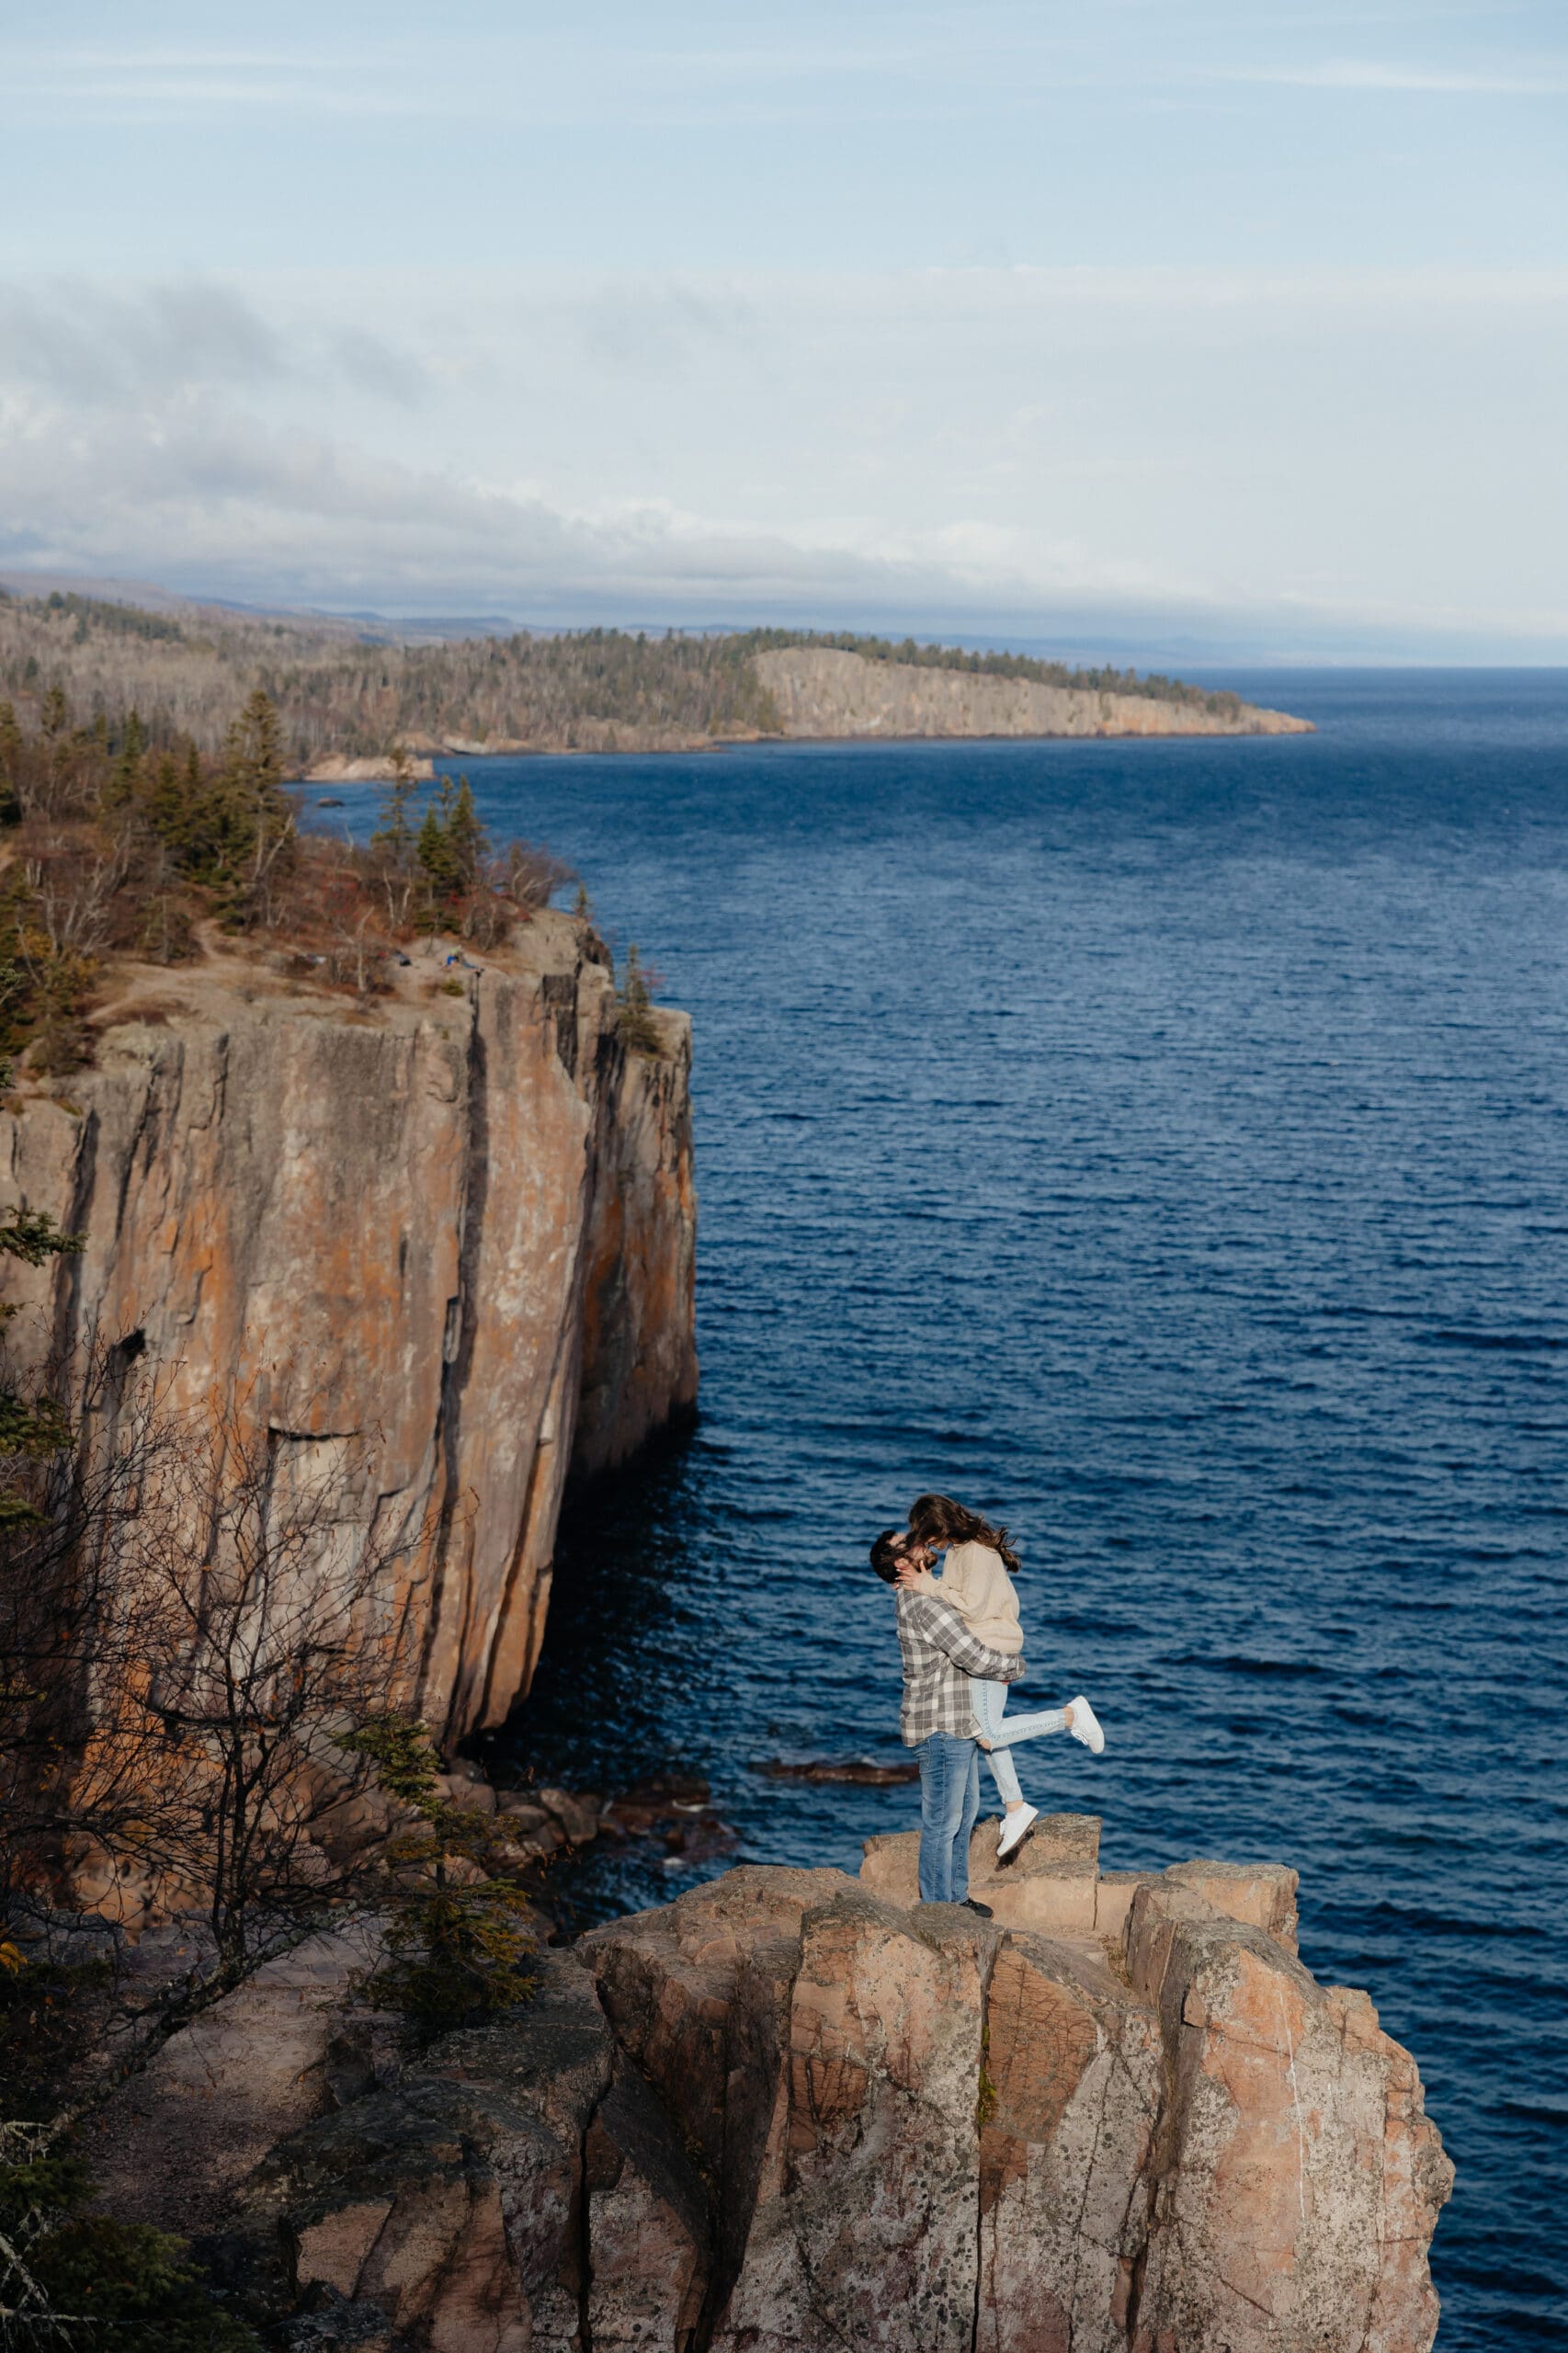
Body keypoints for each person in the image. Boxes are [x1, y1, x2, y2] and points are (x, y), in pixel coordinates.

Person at [900, 1493, 1105, 1861]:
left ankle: (1070, 1716)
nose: (927, 1542)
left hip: (990, 1645)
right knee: (989, 1731)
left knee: (989, 1734)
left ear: (938, 1526)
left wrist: (927, 1585)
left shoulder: (975, 1553)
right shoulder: (966, 1550)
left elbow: (972, 1606)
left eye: (926, 1535)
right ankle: (1015, 1807)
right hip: (990, 1645)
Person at [869, 1526, 1025, 1912]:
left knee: (964, 1812)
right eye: (910, 1542)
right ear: (903, 1563)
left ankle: (955, 1897)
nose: (921, 1538)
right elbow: (970, 1654)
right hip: (940, 1725)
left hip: (955, 1723)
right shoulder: (926, 1606)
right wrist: (1015, 1666)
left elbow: (961, 1602)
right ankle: (938, 1910)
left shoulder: (922, 1596)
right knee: (943, 1821)